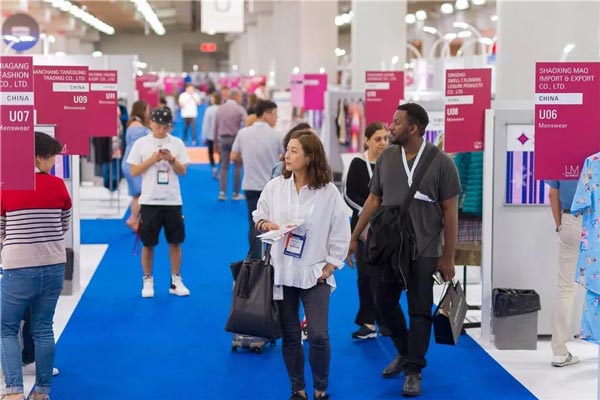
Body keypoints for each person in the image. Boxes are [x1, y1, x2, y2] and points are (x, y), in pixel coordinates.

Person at [347, 103, 460, 397]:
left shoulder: (442, 163)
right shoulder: (386, 158)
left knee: (420, 310)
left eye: (396, 122)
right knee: (383, 304)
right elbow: (373, 199)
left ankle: (413, 370)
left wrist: (448, 256)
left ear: (413, 128)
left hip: (424, 248)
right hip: (390, 246)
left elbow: (451, 212)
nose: (390, 127)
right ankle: (405, 350)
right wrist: (354, 237)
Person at [253, 129, 350, 400]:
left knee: (318, 335)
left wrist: (330, 266)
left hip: (315, 272)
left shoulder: (328, 192)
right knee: (290, 334)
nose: (287, 155)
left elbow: (341, 229)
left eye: (294, 151)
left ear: (309, 157)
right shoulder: (275, 186)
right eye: (287, 149)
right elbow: (258, 215)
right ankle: (298, 389)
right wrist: (266, 225)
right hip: (283, 271)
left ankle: (320, 388)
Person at [0, 131, 72, 400]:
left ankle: (14, 392)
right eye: (51, 157)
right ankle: (42, 392)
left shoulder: (7, 187)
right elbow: (63, 225)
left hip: (18, 266)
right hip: (53, 265)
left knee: (6, 328)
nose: (54, 162)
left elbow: (1, 229)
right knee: (43, 328)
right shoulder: (58, 186)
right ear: (38, 158)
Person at [126, 107, 191, 298]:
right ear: (151, 123)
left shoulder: (177, 143)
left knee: (175, 242)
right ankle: (147, 279)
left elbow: (183, 171)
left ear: (170, 126)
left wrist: (171, 159)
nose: (161, 130)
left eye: (165, 126)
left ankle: (176, 279)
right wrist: (152, 159)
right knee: (148, 243)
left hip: (172, 200)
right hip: (149, 200)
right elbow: (134, 171)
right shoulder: (141, 143)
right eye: (158, 125)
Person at [343, 121, 389, 340]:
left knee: (386, 276)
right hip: (361, 229)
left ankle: (386, 319)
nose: (383, 143)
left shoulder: (391, 163)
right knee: (365, 276)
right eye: (378, 139)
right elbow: (348, 194)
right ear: (367, 141)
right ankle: (368, 322)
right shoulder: (358, 163)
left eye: (385, 138)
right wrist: (367, 212)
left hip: (387, 228)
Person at [231, 100, 283, 259]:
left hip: (250, 185)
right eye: (275, 114)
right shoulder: (277, 135)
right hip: (272, 187)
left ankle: (255, 262)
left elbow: (233, 156)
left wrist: (248, 160)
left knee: (254, 224)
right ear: (266, 115)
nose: (276, 117)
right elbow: (286, 157)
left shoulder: (243, 133)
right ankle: (271, 260)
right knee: (274, 225)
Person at [547, 180, 582, 367]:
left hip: (570, 219)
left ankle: (559, 352)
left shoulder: (562, 161)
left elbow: (552, 194)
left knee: (565, 287)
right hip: (596, 219)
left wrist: (559, 225)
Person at [122, 100, 151, 232]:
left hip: (132, 163)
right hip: (133, 164)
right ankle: (133, 219)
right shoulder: (137, 128)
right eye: (147, 110)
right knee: (139, 194)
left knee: (138, 194)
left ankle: (136, 219)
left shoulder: (133, 124)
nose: (149, 112)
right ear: (142, 110)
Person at [214, 88, 247, 201]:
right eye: (240, 96)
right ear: (236, 97)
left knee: (224, 166)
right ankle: (235, 193)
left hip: (222, 140)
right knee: (238, 166)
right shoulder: (239, 109)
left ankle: (222, 192)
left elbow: (215, 127)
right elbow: (247, 123)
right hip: (235, 140)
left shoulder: (220, 108)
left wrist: (215, 143)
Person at [201, 92, 222, 179]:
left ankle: (213, 168)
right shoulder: (223, 108)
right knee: (222, 154)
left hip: (211, 135)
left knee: (210, 153)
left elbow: (206, 123)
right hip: (221, 135)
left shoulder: (209, 109)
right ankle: (219, 169)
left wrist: (203, 136)